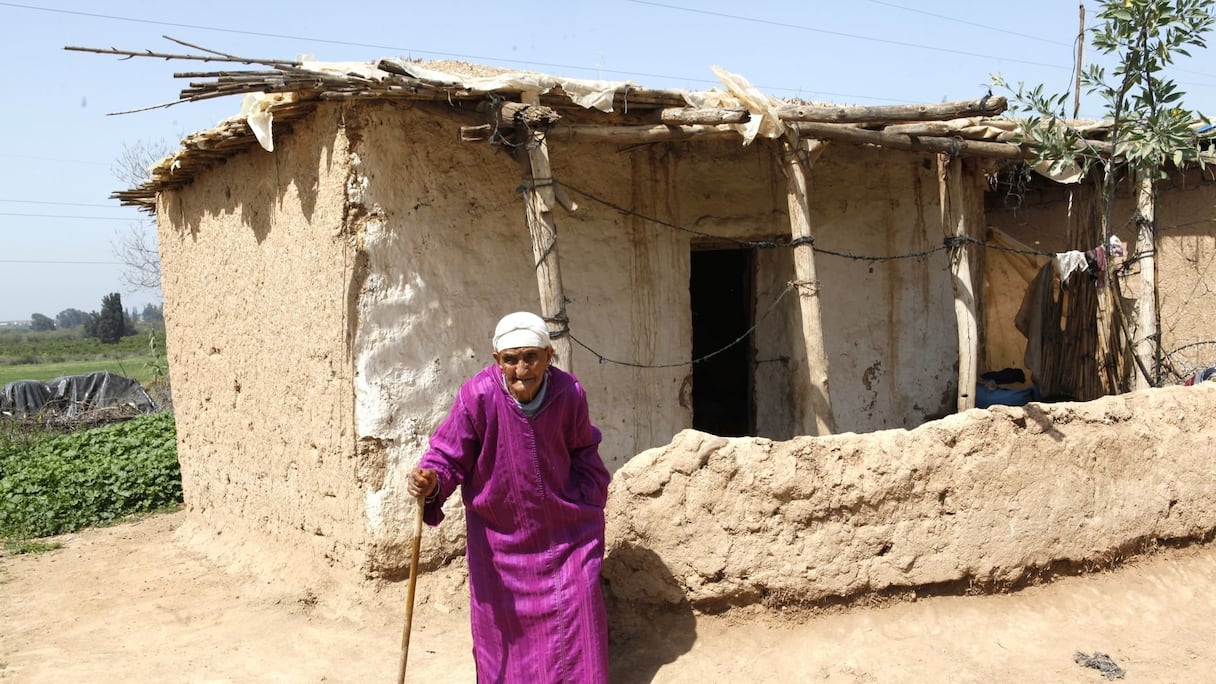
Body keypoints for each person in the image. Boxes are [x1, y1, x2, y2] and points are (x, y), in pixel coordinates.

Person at [407, 311, 611, 683]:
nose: (522, 369)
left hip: (565, 532)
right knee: (504, 634)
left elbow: (584, 449)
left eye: (531, 357)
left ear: (549, 357)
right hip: (501, 539)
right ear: (496, 360)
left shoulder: (569, 394)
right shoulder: (477, 396)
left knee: (579, 612)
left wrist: (589, 498)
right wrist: (431, 480)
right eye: (511, 359)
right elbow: (448, 454)